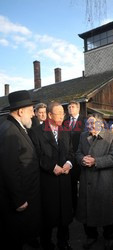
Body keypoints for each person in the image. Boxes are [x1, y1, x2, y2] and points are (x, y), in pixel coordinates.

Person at [29, 102, 73, 250]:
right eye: (58, 113)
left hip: (65, 181)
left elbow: (71, 152)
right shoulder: (35, 132)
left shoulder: (66, 130)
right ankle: (46, 243)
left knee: (64, 216)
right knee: (47, 216)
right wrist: (52, 167)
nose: (62, 116)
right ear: (49, 115)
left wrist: (68, 163)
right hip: (47, 182)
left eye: (63, 113)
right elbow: (36, 155)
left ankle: (63, 242)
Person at [0, 90, 41, 250]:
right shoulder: (9, 131)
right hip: (17, 200)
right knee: (14, 238)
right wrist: (18, 199)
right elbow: (8, 169)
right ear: (21, 111)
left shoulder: (16, 127)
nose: (33, 114)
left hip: (25, 194)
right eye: (31, 110)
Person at [76, 113, 113, 250]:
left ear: (101, 124)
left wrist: (96, 161)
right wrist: (82, 159)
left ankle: (109, 236)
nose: (89, 126)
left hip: (103, 180)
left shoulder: (111, 137)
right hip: (86, 180)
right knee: (87, 210)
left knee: (104, 210)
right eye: (87, 124)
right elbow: (77, 153)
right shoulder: (83, 136)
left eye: (92, 124)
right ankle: (91, 236)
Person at [63, 100, 85, 215]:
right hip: (70, 158)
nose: (70, 109)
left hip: (82, 157)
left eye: (72, 107)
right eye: (69, 107)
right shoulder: (65, 122)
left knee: (83, 184)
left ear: (78, 108)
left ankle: (84, 207)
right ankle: (74, 208)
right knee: (71, 185)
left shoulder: (85, 120)